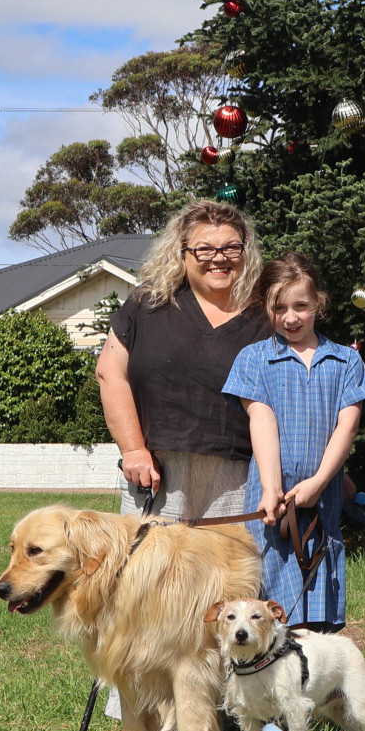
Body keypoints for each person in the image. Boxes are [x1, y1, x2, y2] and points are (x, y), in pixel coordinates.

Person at [221, 251, 365, 731]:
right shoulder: (255, 359)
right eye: (279, 307)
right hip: (272, 501)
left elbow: (346, 425)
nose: (291, 317)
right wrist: (271, 487)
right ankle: (265, 714)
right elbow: (260, 420)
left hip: (321, 500)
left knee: (313, 605)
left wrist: (318, 482)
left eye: (301, 306)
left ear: (319, 304)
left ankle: (308, 703)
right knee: (272, 598)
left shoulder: (345, 360)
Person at [97, 200, 269, 521]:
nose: (219, 258)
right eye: (204, 249)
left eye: (231, 247)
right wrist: (133, 450)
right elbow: (110, 373)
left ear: (246, 253)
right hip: (158, 475)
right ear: (182, 253)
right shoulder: (146, 305)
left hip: (243, 477)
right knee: (150, 569)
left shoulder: (268, 315)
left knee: (229, 571)